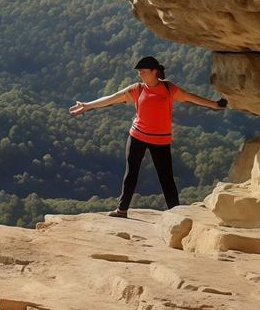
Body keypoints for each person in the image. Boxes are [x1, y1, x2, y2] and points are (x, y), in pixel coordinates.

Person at [68, 56, 228, 218]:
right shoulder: (137, 89)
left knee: (166, 177)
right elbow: (112, 97)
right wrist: (87, 106)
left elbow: (191, 97)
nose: (140, 74)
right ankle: (122, 210)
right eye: (139, 72)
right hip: (137, 136)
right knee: (131, 173)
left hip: (160, 140)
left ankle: (177, 213)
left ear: (154, 71)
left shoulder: (169, 88)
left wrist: (215, 105)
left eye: (143, 71)